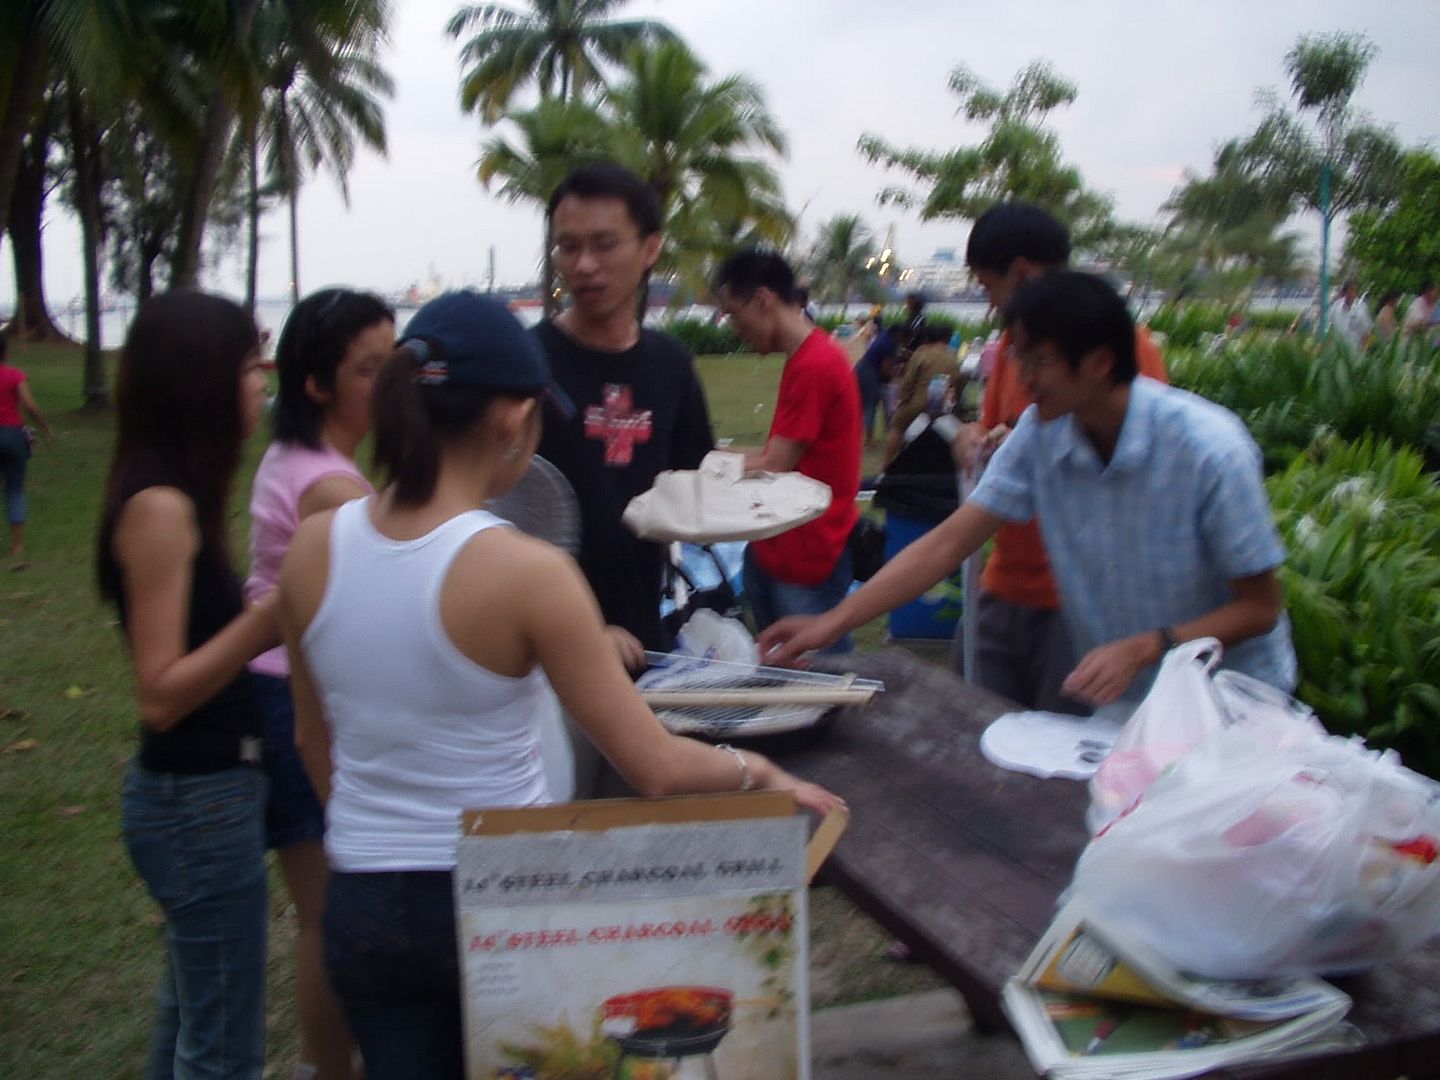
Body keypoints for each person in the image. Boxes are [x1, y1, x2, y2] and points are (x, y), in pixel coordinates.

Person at [275, 291, 842, 1079]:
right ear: (515, 418)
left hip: (361, 903)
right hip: (495, 895)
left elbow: (312, 739)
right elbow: (654, 765)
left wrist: (375, 835)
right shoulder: (528, 573)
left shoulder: (311, 549)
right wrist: (763, 774)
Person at [760, 271, 1296, 709]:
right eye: (1017, 356)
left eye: (1038, 360)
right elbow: (947, 544)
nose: (1022, 376)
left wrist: (1149, 645)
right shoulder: (1042, 434)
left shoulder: (1209, 450)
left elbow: (1259, 608)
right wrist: (831, 622)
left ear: (1100, 362)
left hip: (1230, 704)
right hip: (1128, 713)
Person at [97, 292, 279, 1079]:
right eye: (248, 366)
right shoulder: (161, 508)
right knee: (224, 1048)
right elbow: (160, 693)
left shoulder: (178, 495)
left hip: (205, 796)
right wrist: (269, 620)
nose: (261, 382)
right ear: (201, 380)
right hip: (195, 803)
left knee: (193, 1018)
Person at [245, 288, 395, 1080]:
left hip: (285, 689)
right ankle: (328, 1068)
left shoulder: (305, 460)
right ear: (316, 384)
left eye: (394, 362)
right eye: (369, 369)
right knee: (323, 913)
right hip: (290, 698)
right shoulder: (332, 491)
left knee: (324, 908)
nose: (390, 382)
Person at [953, 202, 1169, 713]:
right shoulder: (1016, 347)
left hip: (1075, 601)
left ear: (1021, 273)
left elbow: (1133, 472)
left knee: (1060, 740)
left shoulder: (1122, 350)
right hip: (1005, 582)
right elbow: (997, 429)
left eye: (988, 288)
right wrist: (975, 436)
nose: (990, 306)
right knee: (976, 724)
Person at [532, 162, 715, 663]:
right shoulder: (527, 365)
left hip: (641, 633)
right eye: (568, 247)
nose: (584, 265)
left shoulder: (671, 366)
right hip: (537, 641)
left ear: (650, 248)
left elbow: (692, 484)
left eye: (604, 244)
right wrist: (575, 629)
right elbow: (487, 515)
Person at [714, 250, 862, 652]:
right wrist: (715, 454)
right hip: (776, 546)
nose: (735, 330)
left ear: (762, 300)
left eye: (734, 315)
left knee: (819, 675)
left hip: (806, 557)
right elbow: (777, 452)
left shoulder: (816, 364)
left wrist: (707, 465)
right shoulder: (805, 358)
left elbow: (774, 464)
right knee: (780, 667)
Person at [0, 330, 54, 565]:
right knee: (15, 489)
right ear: (6, 352)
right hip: (13, 436)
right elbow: (30, 406)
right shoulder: (15, 375)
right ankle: (17, 546)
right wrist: (45, 429)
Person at [881, 321, 961, 467]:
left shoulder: (922, 352)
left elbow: (908, 381)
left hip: (917, 402)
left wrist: (903, 399)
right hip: (942, 405)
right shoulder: (952, 357)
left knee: (897, 427)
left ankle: (886, 465)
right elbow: (957, 383)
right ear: (948, 338)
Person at [853, 317, 898, 447]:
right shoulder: (889, 343)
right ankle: (868, 439)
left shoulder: (883, 336)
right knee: (870, 405)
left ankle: (864, 436)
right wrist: (896, 376)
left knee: (864, 405)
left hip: (861, 369)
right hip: (868, 372)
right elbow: (886, 368)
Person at [1328, 281, 1372, 349]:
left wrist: (1362, 351)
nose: (1351, 294)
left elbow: (1367, 334)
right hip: (1337, 350)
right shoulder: (1336, 306)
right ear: (1344, 292)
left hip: (1354, 352)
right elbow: (1331, 327)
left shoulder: (1362, 309)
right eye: (1349, 291)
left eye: (1353, 291)